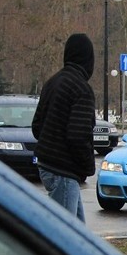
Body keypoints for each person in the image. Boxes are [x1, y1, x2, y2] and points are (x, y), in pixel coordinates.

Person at [31, 33, 97, 221]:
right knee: (63, 237)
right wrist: (87, 167)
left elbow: (37, 127)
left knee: (77, 231)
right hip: (64, 171)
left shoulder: (52, 83)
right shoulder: (81, 89)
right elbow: (78, 136)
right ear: (88, 59)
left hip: (46, 165)